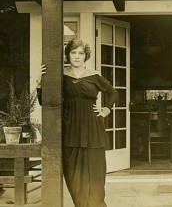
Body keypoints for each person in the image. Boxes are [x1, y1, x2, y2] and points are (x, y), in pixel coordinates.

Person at [37, 39, 118, 207]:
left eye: (81, 53)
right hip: (70, 128)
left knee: (95, 174)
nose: (77, 56)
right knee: (73, 176)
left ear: (86, 56)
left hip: (92, 128)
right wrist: (41, 82)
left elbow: (113, 93)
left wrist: (106, 109)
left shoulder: (94, 75)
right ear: (67, 55)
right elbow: (44, 102)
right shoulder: (61, 76)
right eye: (73, 52)